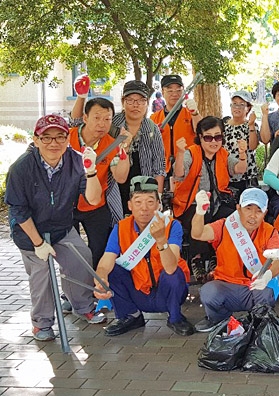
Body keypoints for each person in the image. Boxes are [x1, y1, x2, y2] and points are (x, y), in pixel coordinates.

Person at [4, 115, 106, 341]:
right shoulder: (21, 168)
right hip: (29, 232)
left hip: (61, 228)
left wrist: (90, 172)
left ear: (67, 139)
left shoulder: (77, 161)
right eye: (47, 137)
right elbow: (18, 210)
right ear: (36, 140)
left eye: (60, 137)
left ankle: (82, 306)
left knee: (81, 258)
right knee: (42, 274)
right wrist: (39, 244)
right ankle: (42, 323)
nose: (53, 143)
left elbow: (93, 198)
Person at [93, 176, 193, 337]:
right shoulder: (121, 228)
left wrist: (161, 239)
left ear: (158, 205)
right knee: (112, 270)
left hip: (167, 292)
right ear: (130, 205)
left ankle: (175, 317)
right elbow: (106, 260)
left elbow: (171, 266)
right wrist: (101, 278)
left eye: (150, 202)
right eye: (138, 202)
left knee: (174, 274)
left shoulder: (172, 225)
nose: (144, 208)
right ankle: (131, 316)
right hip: (139, 291)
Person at [190, 188, 279, 332]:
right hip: (227, 286)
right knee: (209, 292)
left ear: (265, 213)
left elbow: (278, 261)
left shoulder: (270, 231)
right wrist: (199, 212)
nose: (253, 216)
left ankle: (259, 323)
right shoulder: (224, 225)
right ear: (238, 209)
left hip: (256, 286)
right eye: (248, 208)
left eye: (259, 211)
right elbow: (198, 234)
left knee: (266, 293)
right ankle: (219, 320)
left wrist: (267, 276)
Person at [71, 78, 166, 218]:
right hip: (112, 188)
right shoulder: (111, 122)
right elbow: (77, 123)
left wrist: (157, 195)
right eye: (130, 100)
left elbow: (159, 166)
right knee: (117, 226)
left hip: (142, 188)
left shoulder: (152, 129)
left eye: (141, 101)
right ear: (123, 102)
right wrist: (81, 97)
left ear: (147, 103)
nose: (136, 105)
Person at [172, 116, 247, 280]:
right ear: (200, 137)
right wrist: (179, 153)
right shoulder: (191, 153)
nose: (213, 141)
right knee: (200, 216)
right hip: (189, 204)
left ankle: (218, 257)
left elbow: (239, 169)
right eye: (208, 137)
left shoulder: (223, 154)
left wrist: (242, 154)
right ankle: (197, 259)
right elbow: (178, 174)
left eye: (218, 137)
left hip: (217, 203)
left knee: (231, 218)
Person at [70, 98, 132, 269]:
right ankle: (73, 292)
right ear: (85, 118)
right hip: (66, 205)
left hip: (95, 205)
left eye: (107, 119)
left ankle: (98, 286)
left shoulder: (112, 144)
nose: (102, 124)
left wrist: (124, 149)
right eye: (97, 118)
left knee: (100, 248)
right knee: (70, 251)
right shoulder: (67, 137)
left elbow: (120, 177)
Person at [150, 74, 201, 177]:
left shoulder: (190, 113)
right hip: (162, 169)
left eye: (178, 90)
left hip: (187, 166)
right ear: (163, 92)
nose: (175, 94)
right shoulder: (154, 118)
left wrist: (195, 113)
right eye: (170, 91)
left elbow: (200, 131)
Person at [224, 91, 260, 197]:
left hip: (247, 176)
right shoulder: (223, 125)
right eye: (235, 104)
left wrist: (251, 125)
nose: (237, 107)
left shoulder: (250, 126)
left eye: (241, 104)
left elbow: (253, 146)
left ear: (248, 108)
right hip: (227, 174)